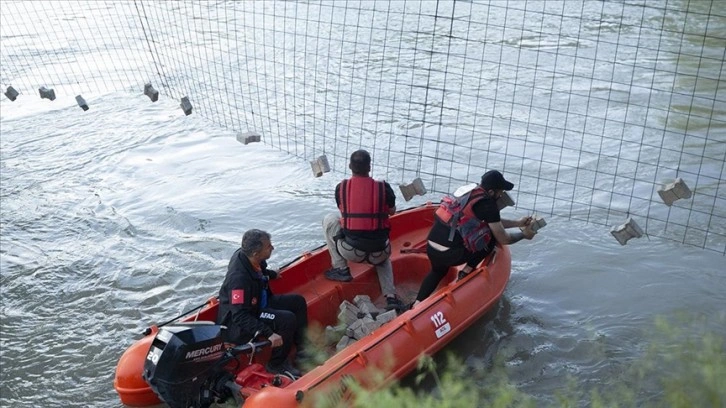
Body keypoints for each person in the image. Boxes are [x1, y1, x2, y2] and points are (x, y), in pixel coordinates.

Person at [412, 170, 536, 307]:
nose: (501, 195)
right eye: (500, 191)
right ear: (491, 192)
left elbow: (492, 221)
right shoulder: (489, 204)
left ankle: (416, 304)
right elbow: (503, 238)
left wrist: (518, 223)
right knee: (491, 238)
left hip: (431, 246)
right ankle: (467, 271)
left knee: (437, 271)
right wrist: (524, 235)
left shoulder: (467, 192)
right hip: (450, 254)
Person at [217, 229, 308, 378]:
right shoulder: (238, 280)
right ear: (255, 253)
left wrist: (272, 274)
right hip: (245, 317)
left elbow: (261, 270)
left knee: (298, 301)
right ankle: (276, 364)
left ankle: (303, 350)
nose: (272, 248)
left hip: (260, 301)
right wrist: (269, 333)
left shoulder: (251, 258)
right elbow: (239, 315)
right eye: (268, 246)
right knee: (287, 319)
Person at [322, 149, 405, 311]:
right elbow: (392, 211)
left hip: (350, 251)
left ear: (349, 166)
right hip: (379, 253)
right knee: (383, 256)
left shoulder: (341, 188)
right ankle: (391, 296)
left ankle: (341, 269)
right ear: (369, 167)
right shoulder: (384, 188)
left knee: (330, 220)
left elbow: (344, 212)